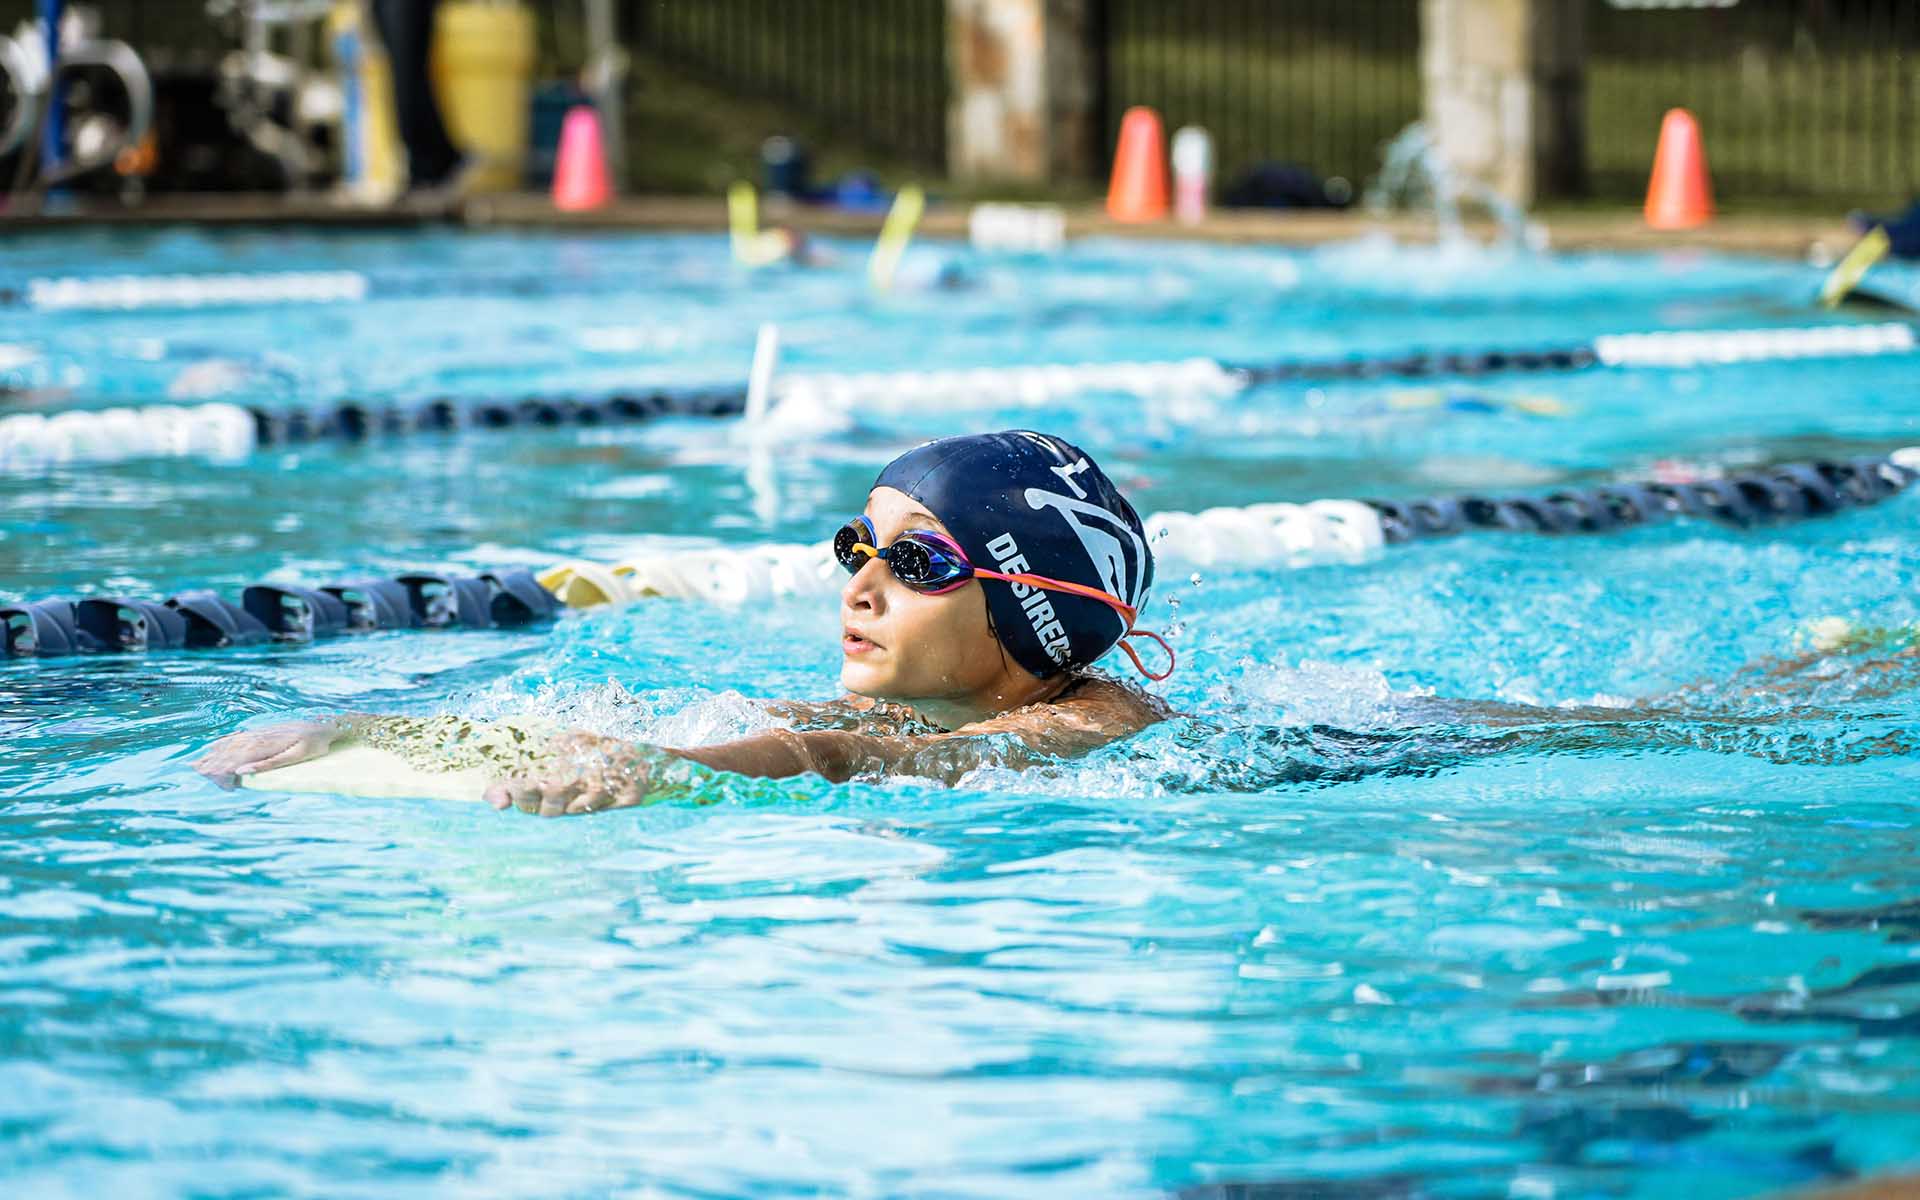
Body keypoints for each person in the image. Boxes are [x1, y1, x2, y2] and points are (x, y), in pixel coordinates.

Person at [193, 431, 1177, 816]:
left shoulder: (1097, 726)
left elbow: (852, 758)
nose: (860, 587)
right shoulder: (930, 705)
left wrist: (677, 775)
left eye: (918, 561)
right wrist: (368, 730)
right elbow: (646, 726)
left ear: (1029, 610)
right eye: (857, 547)